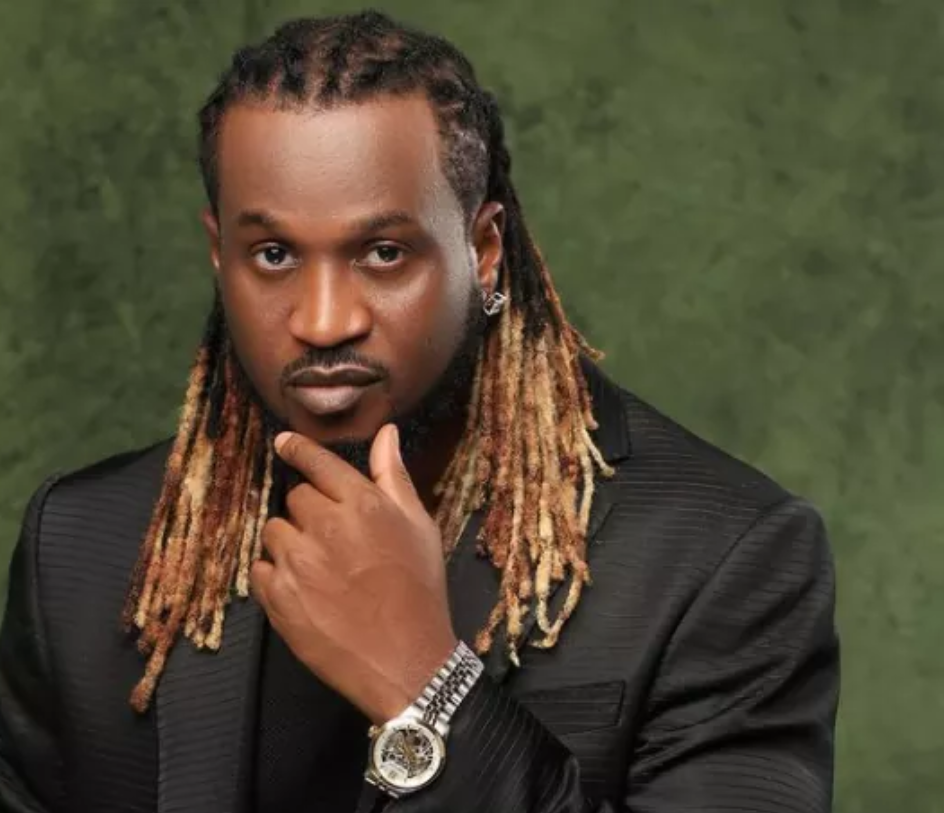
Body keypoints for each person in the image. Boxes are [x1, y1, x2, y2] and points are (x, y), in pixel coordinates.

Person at [0, 9, 840, 813]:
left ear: (483, 250)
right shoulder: (80, 548)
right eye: (275, 254)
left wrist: (427, 688)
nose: (324, 321)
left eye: (384, 252)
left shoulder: (721, 557)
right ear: (220, 254)